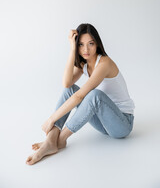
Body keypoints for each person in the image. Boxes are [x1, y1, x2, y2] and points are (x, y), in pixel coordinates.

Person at [26, 23, 135, 165]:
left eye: (90, 43)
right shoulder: (84, 64)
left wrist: (51, 119)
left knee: (94, 95)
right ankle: (52, 139)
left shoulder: (104, 63)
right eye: (81, 45)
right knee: (69, 90)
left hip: (122, 124)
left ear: (97, 44)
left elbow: (80, 96)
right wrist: (72, 50)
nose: (86, 49)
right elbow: (66, 84)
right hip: (103, 124)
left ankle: (57, 141)